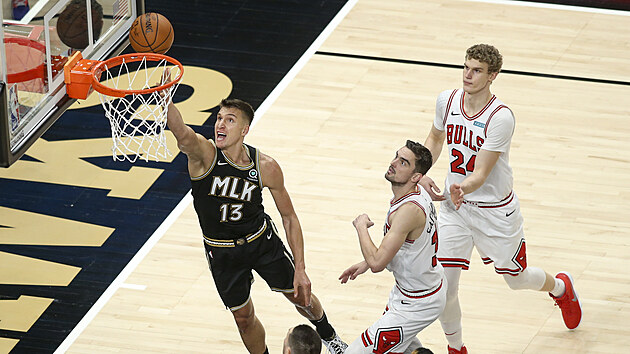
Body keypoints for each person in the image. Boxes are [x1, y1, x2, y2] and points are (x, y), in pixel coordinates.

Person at [419, 44, 582, 354]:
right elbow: (436, 139)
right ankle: (456, 348)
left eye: (477, 70)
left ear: (492, 76)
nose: (468, 75)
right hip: (455, 210)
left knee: (517, 280)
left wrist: (461, 188)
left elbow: (480, 173)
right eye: (466, 67)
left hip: (494, 212)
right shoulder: (447, 100)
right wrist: (420, 170)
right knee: (445, 288)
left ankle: (561, 288)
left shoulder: (501, 117)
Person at [165, 97, 347, 354]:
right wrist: (166, 103)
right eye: (219, 118)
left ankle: (330, 337)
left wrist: (301, 268)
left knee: (299, 295)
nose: (221, 125)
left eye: (230, 120)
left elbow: (289, 217)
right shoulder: (205, 155)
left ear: (244, 130)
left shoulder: (265, 167)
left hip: (261, 241)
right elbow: (183, 135)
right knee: (243, 319)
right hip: (222, 250)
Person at [340, 140, 447, 354]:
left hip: (418, 302)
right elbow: (406, 247)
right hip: (412, 291)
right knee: (403, 348)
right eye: (397, 157)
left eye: (403, 162)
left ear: (415, 176)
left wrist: (361, 227)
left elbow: (378, 262)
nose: (394, 163)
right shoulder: (418, 192)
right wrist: (366, 262)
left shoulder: (408, 211)